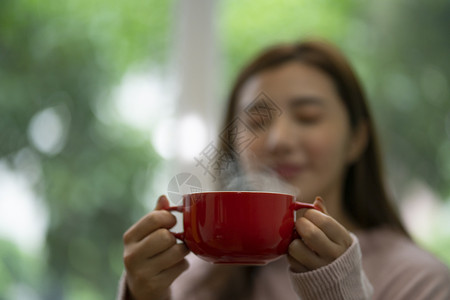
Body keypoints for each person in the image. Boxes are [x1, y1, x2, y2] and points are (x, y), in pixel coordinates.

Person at [118, 40, 450, 300]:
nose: (279, 140)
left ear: (356, 139)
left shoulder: (417, 280)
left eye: (308, 117)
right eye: (257, 122)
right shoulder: (191, 282)